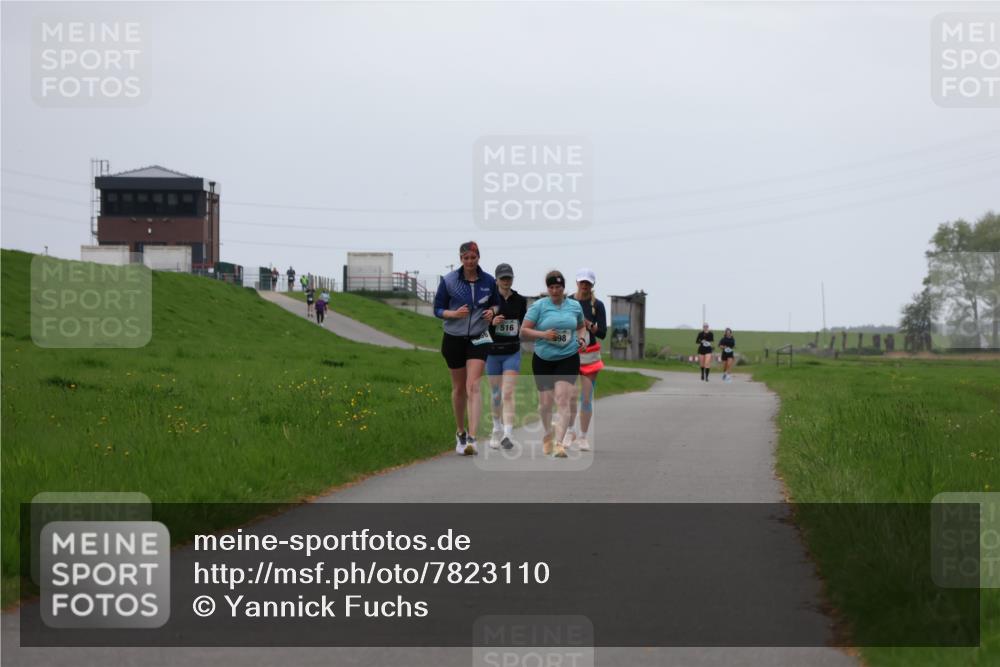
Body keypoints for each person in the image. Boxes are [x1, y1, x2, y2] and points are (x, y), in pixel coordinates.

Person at [433, 241, 497, 456]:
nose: (470, 262)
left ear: (479, 258)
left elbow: (496, 304)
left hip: (479, 337)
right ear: (461, 259)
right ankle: (460, 431)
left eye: (473, 257)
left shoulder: (488, 280)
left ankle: (472, 436)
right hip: (454, 338)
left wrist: (492, 312)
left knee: (474, 386)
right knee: (459, 388)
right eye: (466, 258)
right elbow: (437, 309)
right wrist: (453, 314)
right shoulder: (450, 281)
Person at [521, 270, 587, 459]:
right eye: (551, 287)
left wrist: (582, 339)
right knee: (545, 405)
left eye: (558, 287)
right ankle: (548, 435)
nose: (555, 290)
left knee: (563, 399)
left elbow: (581, 326)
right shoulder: (539, 306)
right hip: (543, 359)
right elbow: (524, 330)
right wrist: (543, 335)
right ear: (547, 288)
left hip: (568, 357)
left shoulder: (574, 306)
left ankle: (559, 444)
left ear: (563, 288)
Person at [485, 263, 527, 451]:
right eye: (503, 278)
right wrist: (491, 322)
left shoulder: (519, 300)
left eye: (509, 278)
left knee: (508, 393)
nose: (506, 281)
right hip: (492, 352)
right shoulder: (488, 299)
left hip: (512, 352)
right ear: (496, 280)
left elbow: (524, 324)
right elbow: (478, 324)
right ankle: (496, 429)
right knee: (495, 396)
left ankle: (508, 434)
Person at [567, 268, 606, 452]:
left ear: (592, 285)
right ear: (577, 283)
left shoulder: (597, 305)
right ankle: (570, 431)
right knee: (570, 396)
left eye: (588, 283)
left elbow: (604, 333)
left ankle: (583, 436)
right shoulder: (567, 301)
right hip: (569, 353)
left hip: (590, 355)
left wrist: (590, 326)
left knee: (586, 398)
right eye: (582, 282)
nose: (584, 286)